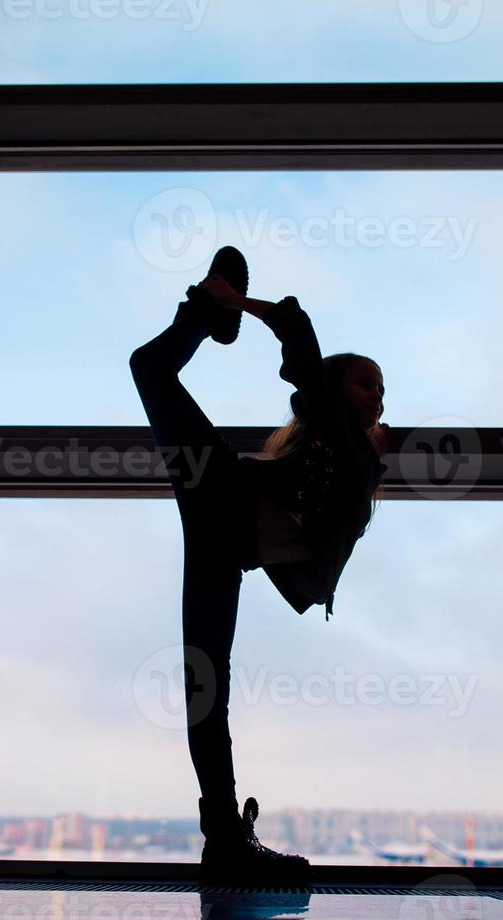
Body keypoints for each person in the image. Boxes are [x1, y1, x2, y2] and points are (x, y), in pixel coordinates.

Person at [128, 246, 389, 886]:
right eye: (366, 383)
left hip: (226, 541)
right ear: (337, 389)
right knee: (149, 368)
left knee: (203, 686)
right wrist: (243, 305)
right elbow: (301, 341)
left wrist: (235, 307)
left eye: (381, 389)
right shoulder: (335, 425)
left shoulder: (358, 454)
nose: (377, 397)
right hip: (222, 497)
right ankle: (210, 308)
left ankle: (223, 841)